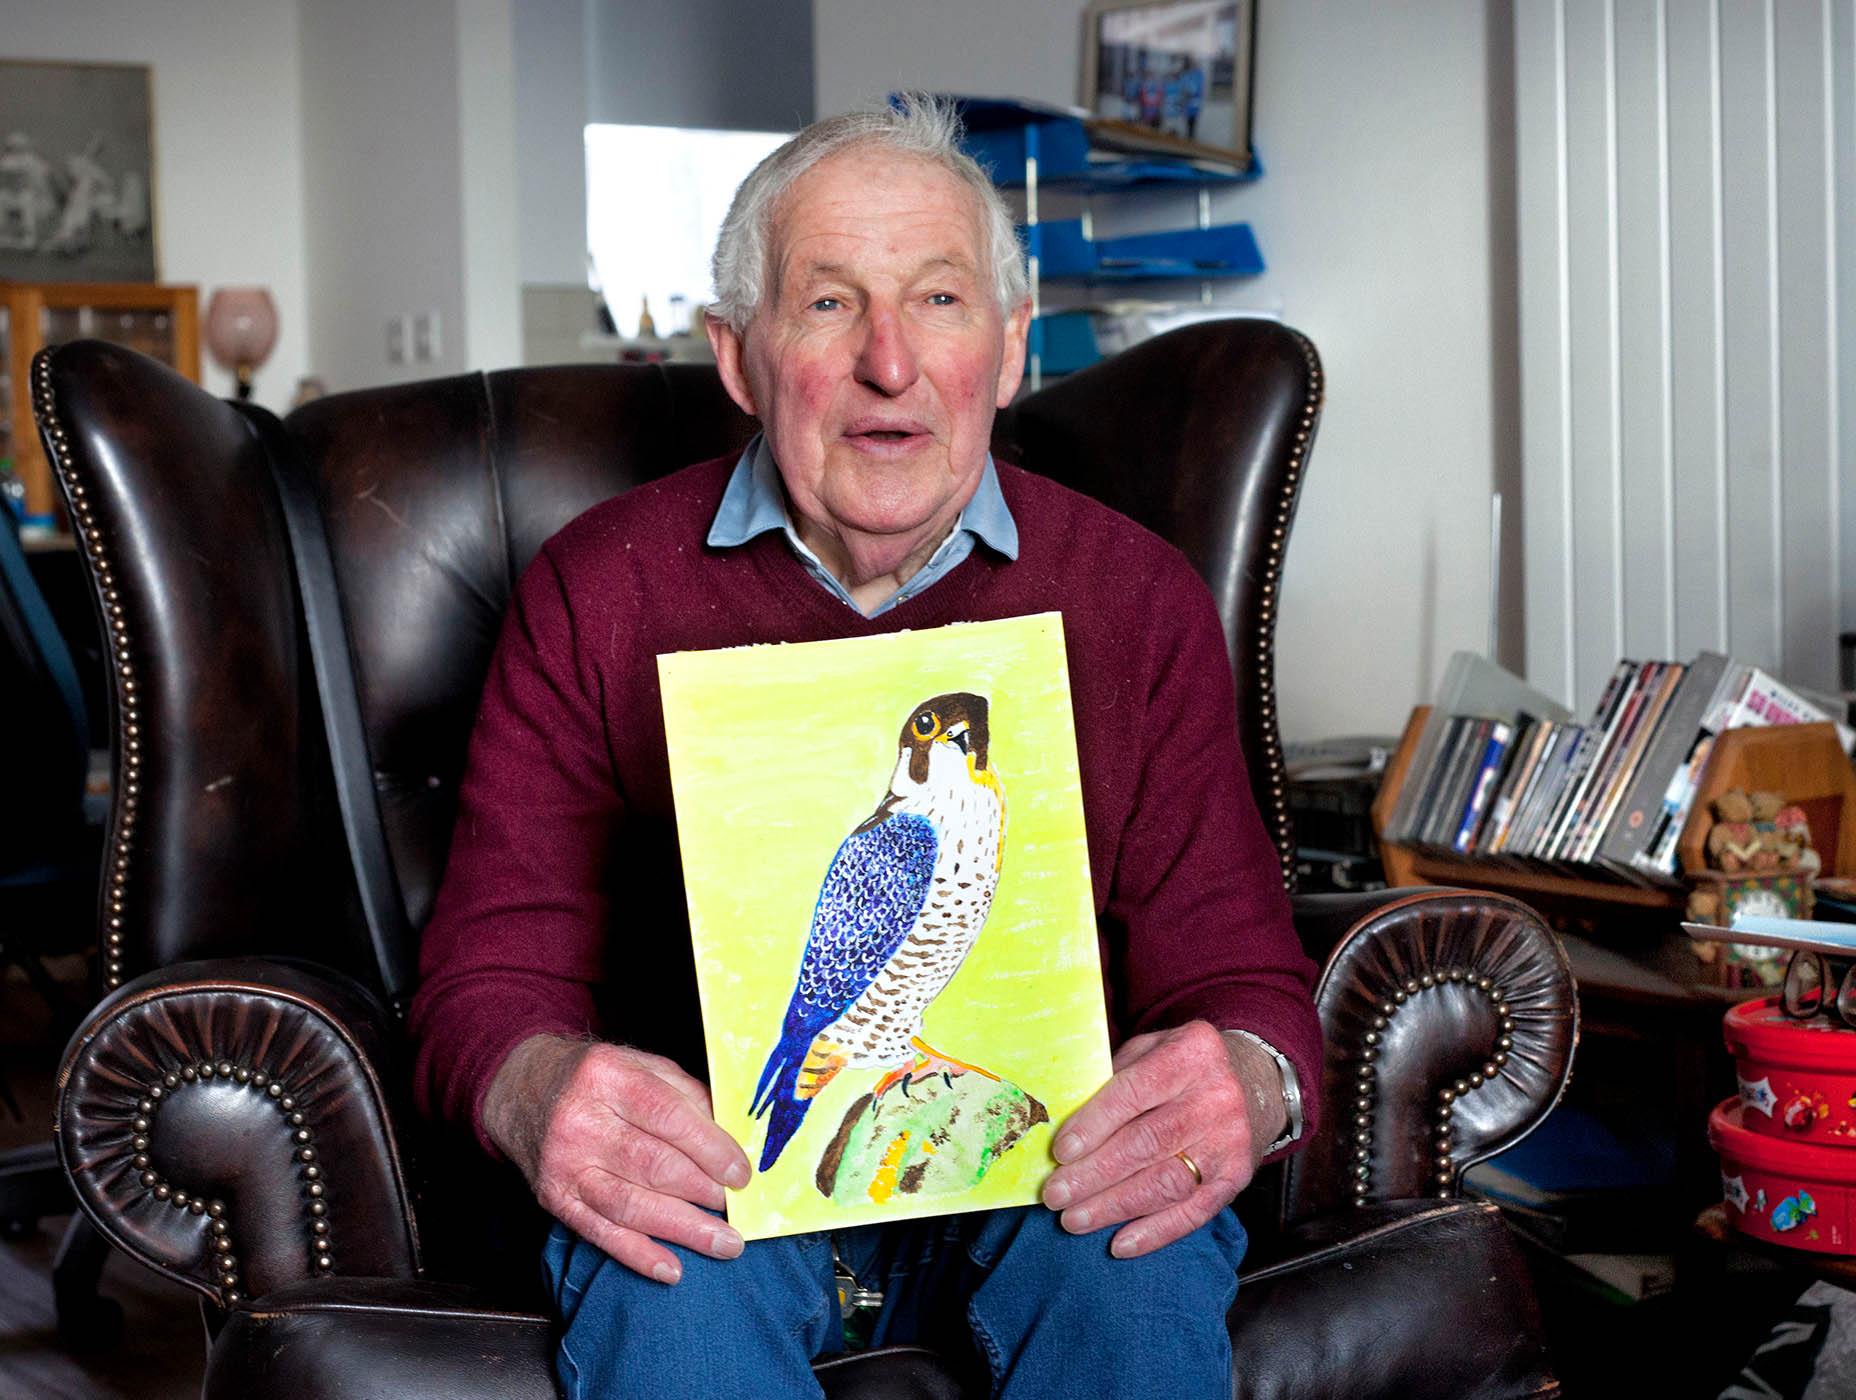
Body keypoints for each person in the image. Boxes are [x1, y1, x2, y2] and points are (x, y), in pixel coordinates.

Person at [408, 93, 1318, 1399]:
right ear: (739, 357)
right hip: (720, 1180)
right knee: (675, 1289)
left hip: (1048, 1169)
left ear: (1007, 352)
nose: (891, 361)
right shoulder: (595, 591)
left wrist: (1247, 1077)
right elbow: (486, 977)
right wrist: (538, 1087)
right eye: (830, 304)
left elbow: (1247, 974)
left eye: (942, 302)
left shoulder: (1134, 598)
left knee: (1131, 1263)